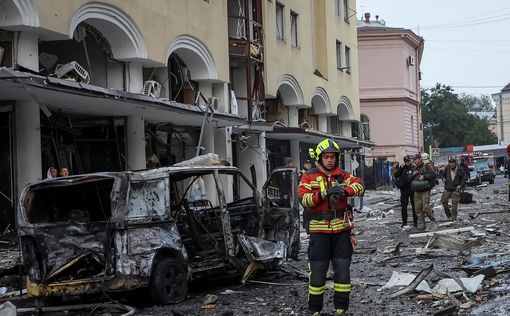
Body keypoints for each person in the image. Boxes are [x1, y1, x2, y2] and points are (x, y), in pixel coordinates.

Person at [298, 138, 364, 315]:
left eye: (332, 157)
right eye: (326, 157)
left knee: (342, 272)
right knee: (318, 273)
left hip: (341, 231)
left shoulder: (343, 176)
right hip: (319, 232)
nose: (329, 160)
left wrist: (345, 190)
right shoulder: (308, 176)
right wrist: (324, 193)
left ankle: (341, 309)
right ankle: (315, 310)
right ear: (320, 158)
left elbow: (359, 186)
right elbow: (305, 199)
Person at [412, 153, 438, 231]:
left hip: (425, 190)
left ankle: (433, 221)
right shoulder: (415, 167)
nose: (414, 161)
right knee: (417, 208)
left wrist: (424, 177)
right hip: (417, 190)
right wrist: (413, 174)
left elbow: (434, 174)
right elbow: (411, 178)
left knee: (426, 207)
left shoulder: (426, 165)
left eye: (415, 159)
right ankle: (422, 224)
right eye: (414, 159)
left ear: (420, 159)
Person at [394, 155, 417, 227]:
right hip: (404, 190)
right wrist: (401, 168)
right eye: (406, 161)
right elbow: (396, 175)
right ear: (404, 162)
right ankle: (404, 222)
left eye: (409, 161)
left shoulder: (413, 168)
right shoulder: (402, 169)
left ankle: (415, 222)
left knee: (414, 206)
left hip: (412, 189)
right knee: (404, 206)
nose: (408, 163)